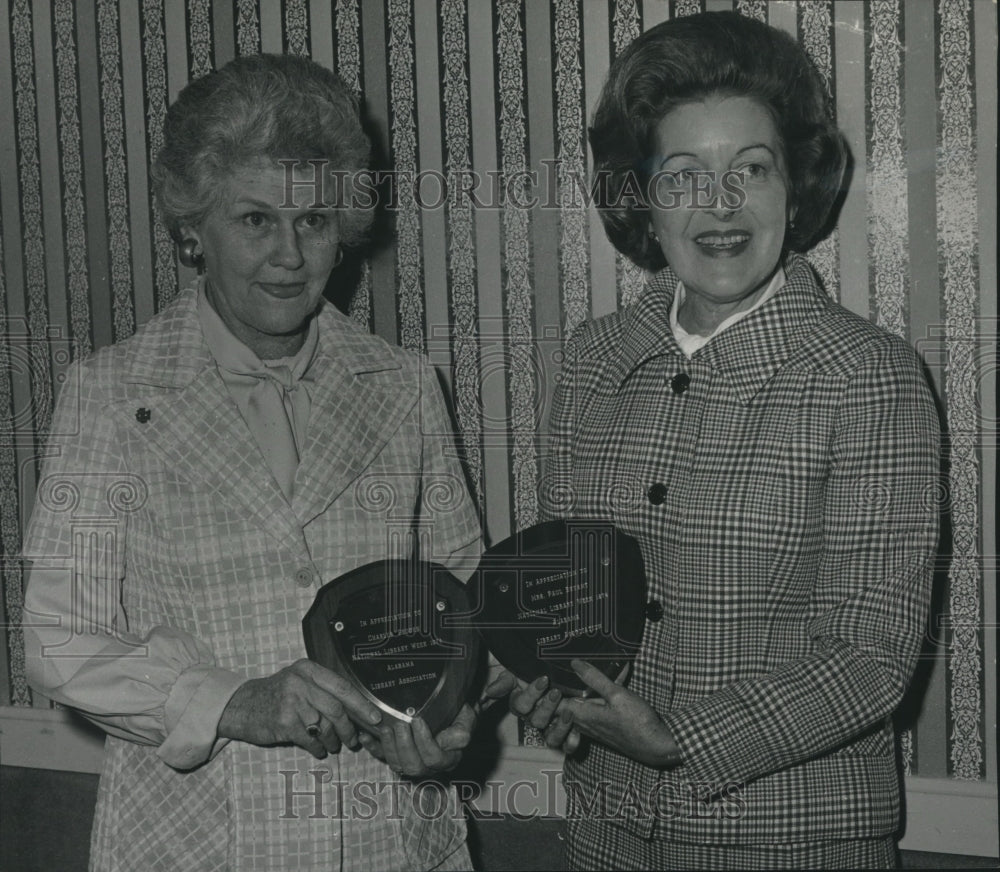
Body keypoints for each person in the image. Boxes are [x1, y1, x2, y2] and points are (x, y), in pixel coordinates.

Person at [23, 54, 483, 871]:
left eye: (311, 221)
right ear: (193, 228)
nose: (289, 254)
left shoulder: (406, 387)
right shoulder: (107, 392)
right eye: (255, 220)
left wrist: (451, 724)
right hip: (195, 836)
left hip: (388, 834)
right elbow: (60, 640)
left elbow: (462, 601)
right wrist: (234, 701)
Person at [512, 12, 940, 870]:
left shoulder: (868, 376)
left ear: (795, 187)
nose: (720, 204)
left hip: (796, 842)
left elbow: (871, 656)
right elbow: (559, 591)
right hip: (608, 835)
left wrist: (677, 736)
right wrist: (543, 681)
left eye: (751, 168)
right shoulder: (594, 362)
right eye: (683, 175)